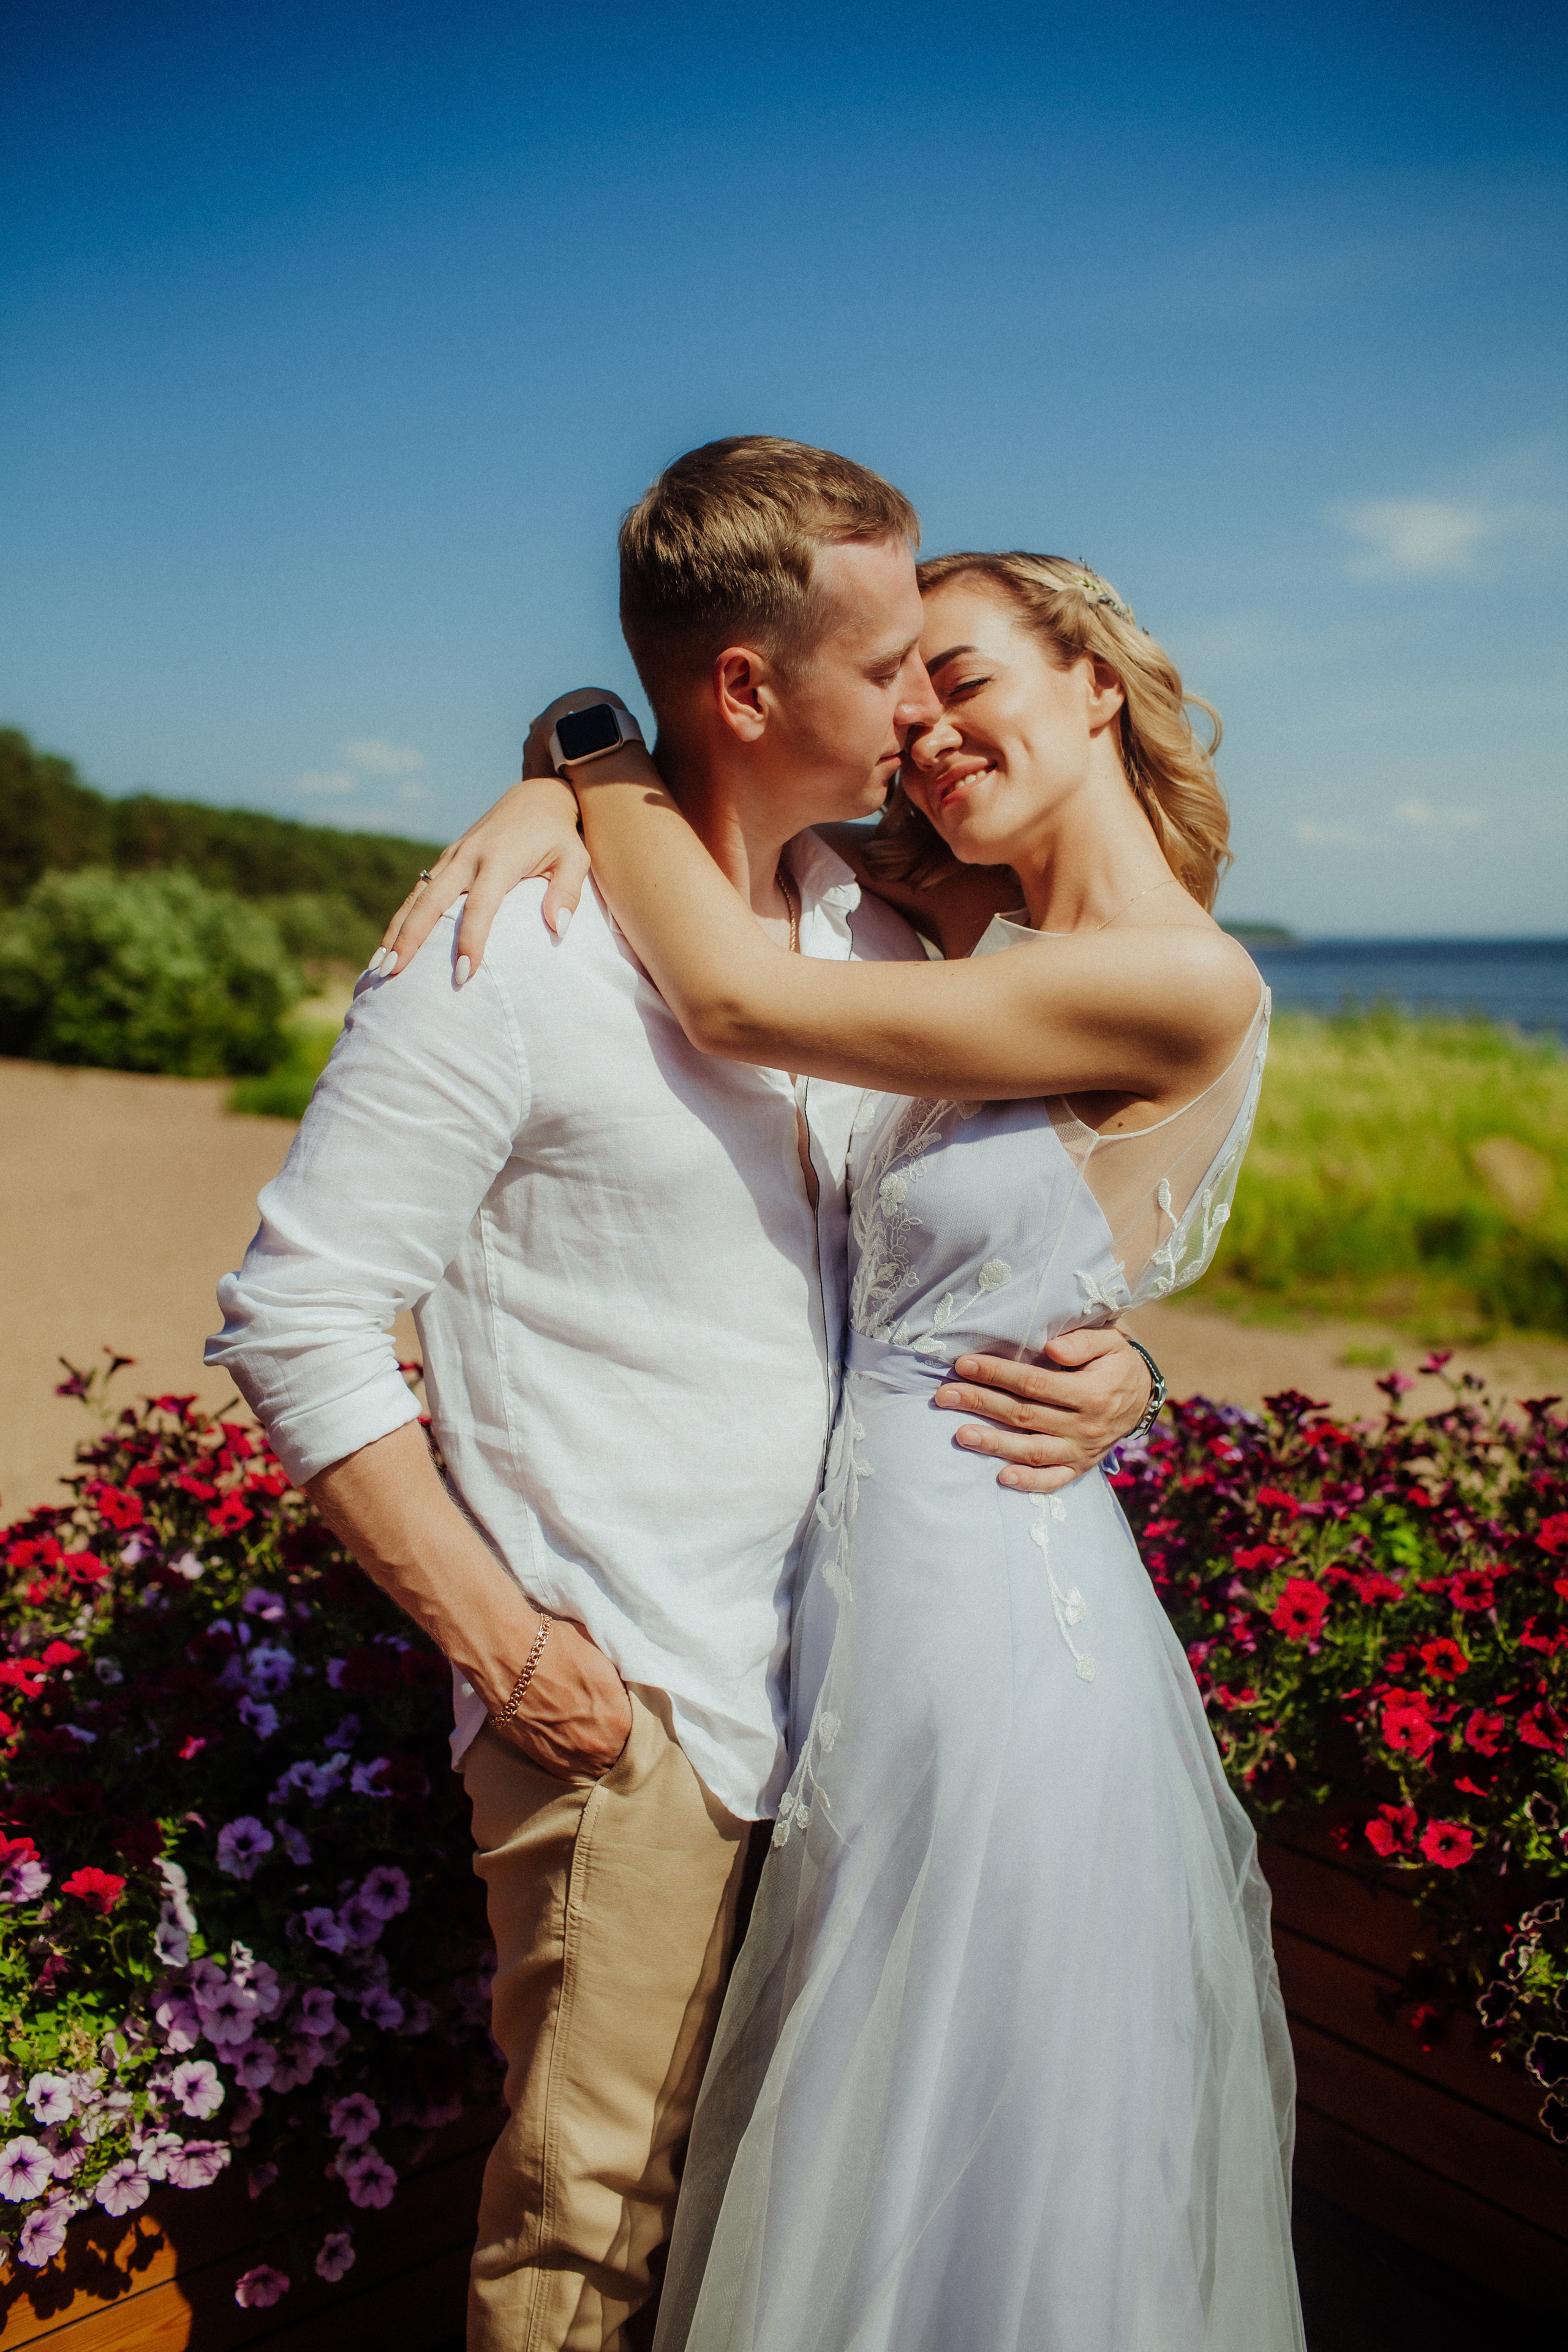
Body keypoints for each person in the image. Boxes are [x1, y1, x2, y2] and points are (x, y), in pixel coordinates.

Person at [206, 439, 1154, 2352]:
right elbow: (296, 1317)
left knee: (780, 2232)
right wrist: (519, 1653)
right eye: (892, 661)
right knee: (587, 2249)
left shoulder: (872, 937)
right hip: (634, 1698)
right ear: (744, 686)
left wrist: (1116, 1363)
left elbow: (988, 1235)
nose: (924, 706)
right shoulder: (506, 952)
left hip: (865, 1697)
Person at [435, 547, 1305, 2349]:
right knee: (855, 2081)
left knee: (964, 2116)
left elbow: (742, 1005)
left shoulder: (1183, 978)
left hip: (987, 1619)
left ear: (1094, 680)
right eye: (907, 702)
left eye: (968, 678)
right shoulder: (964, 939)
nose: (927, 733)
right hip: (854, 1600)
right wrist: (557, 780)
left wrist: (593, 757)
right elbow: (746, 847)